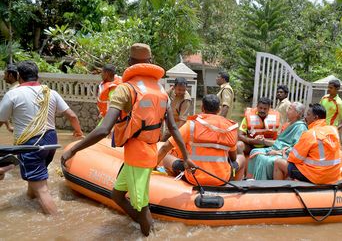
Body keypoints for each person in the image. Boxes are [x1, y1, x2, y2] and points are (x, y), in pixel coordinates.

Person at [61, 43, 192, 236]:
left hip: (138, 158)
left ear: (129, 62)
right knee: (117, 195)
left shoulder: (125, 89)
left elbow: (103, 129)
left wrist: (73, 150)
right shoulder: (162, 92)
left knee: (142, 206)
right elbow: (173, 128)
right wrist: (187, 156)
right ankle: (142, 226)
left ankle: (148, 233)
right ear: (150, 62)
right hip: (145, 152)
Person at [0, 60, 83, 214]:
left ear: (19, 76)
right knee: (36, 181)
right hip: (51, 142)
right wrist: (79, 133)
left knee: (42, 190)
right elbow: (72, 116)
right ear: (37, 75)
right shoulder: (51, 92)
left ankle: (56, 222)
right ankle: (30, 200)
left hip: (30, 144)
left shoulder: (13, 94)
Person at [158, 94, 246, 185]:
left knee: (166, 157)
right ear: (219, 110)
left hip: (194, 177)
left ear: (202, 108)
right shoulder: (230, 128)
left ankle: (175, 185)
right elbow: (233, 158)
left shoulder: (191, 125)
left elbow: (165, 147)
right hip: (221, 178)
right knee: (242, 159)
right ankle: (235, 188)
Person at [273, 104, 342, 184]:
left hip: (316, 176)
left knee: (278, 163)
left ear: (315, 117)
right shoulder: (333, 130)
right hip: (333, 175)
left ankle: (277, 191)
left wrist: (283, 152)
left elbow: (294, 158)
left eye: (308, 114)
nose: (305, 117)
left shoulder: (309, 134)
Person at [247, 102, 307, 180]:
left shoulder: (301, 128)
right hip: (275, 148)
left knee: (267, 160)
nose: (287, 110)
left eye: (290, 109)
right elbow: (279, 142)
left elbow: (295, 148)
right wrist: (263, 140)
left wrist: (277, 152)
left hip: (284, 153)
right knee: (254, 151)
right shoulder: (288, 124)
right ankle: (251, 178)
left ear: (297, 113)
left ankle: (263, 183)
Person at [2, 64, 20, 132]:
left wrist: (8, 126)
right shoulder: (17, 88)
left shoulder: (12, 92)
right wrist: (9, 126)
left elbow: (2, 113)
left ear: (10, 75)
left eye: (5, 74)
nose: (4, 78)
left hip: (22, 133)